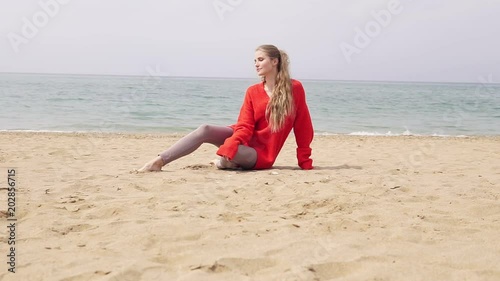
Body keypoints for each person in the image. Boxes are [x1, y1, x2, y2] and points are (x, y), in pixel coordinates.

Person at [137, 44, 314, 172]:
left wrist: (304, 160)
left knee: (230, 154)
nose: (256, 64)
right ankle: (158, 162)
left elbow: (303, 125)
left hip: (260, 153)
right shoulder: (252, 91)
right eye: (254, 60)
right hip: (241, 136)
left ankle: (224, 162)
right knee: (205, 129)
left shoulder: (294, 88)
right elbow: (245, 125)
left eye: (261, 59)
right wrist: (232, 142)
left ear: (275, 62)